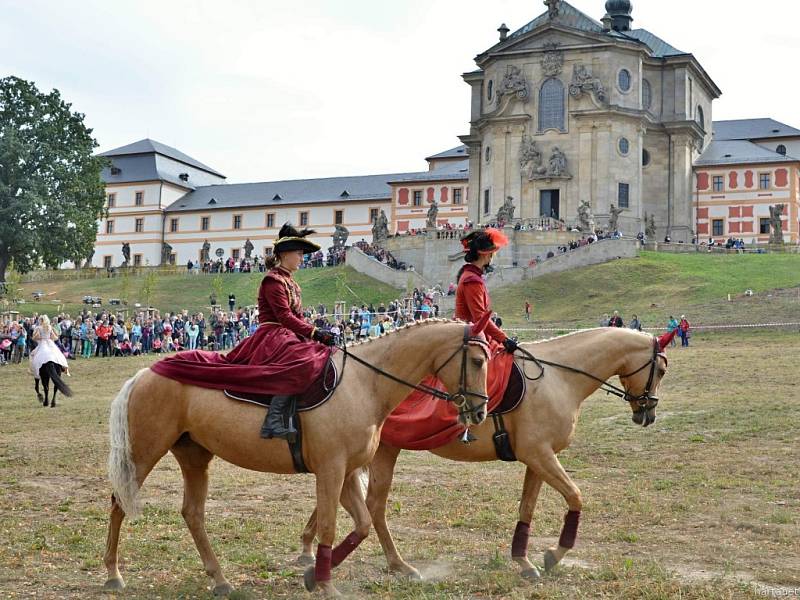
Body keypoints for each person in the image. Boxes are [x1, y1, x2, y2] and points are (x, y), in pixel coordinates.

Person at [150, 223, 335, 441]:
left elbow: (298, 318)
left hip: (288, 334)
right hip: (272, 336)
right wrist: (313, 332)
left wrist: (317, 334)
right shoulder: (273, 281)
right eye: (299, 253)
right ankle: (273, 420)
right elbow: (284, 317)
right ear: (285, 254)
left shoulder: (292, 283)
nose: (302, 258)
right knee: (302, 361)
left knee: (319, 353)